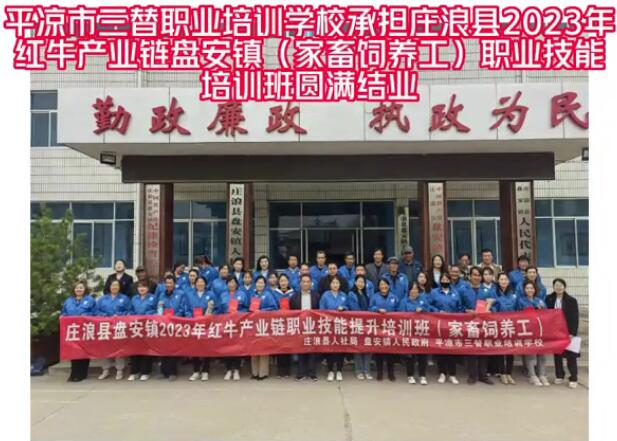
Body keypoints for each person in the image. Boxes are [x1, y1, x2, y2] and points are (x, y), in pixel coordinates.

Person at [398, 281, 435, 385]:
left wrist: (422, 309)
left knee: (422, 354)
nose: (414, 291)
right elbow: (400, 315)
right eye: (412, 289)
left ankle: (422, 375)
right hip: (409, 331)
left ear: (419, 291)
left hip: (421, 331)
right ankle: (410, 375)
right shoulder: (404, 301)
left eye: (416, 289)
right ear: (409, 290)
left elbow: (429, 310)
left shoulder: (423, 300)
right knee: (410, 355)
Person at [428, 272, 462, 385]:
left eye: (447, 279)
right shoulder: (434, 292)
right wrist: (438, 311)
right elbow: (428, 305)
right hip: (439, 324)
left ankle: (452, 374)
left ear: (450, 281)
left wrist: (458, 316)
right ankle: (442, 373)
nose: (445, 281)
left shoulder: (455, 293)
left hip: (452, 325)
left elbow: (460, 307)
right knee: (441, 349)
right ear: (440, 281)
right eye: (443, 279)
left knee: (452, 349)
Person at [546, 278, 580, 389]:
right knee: (557, 355)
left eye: (560, 285)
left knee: (571, 356)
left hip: (567, 331)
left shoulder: (571, 300)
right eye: (556, 285)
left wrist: (572, 332)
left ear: (564, 287)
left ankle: (573, 378)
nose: (558, 287)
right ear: (553, 287)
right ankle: (559, 375)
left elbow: (575, 317)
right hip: (555, 331)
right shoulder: (549, 298)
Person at [95, 279, 130, 380]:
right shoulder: (102, 299)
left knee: (119, 348)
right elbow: (96, 311)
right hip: (105, 327)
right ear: (109, 287)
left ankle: (119, 370)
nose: (114, 287)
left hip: (119, 326)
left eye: (116, 285)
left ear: (119, 287)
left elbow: (129, 311)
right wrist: (106, 316)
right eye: (112, 285)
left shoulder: (124, 298)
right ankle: (105, 370)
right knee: (104, 348)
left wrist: (119, 315)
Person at [61, 281, 96, 382]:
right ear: (74, 289)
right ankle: (73, 373)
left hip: (85, 329)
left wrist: (87, 316)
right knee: (73, 351)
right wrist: (62, 316)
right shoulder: (68, 301)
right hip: (73, 330)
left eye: (81, 287)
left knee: (84, 351)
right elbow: (64, 312)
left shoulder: (90, 300)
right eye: (77, 288)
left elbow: (95, 312)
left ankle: (82, 373)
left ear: (85, 289)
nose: (79, 289)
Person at [184, 276, 217, 381]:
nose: (200, 284)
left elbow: (216, 308)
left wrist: (210, 315)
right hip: (194, 324)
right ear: (195, 284)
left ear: (205, 284)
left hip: (207, 324)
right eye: (198, 282)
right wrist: (191, 318)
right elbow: (186, 309)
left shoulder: (210, 294)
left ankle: (205, 371)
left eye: (202, 282)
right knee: (195, 348)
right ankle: (196, 371)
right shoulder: (190, 294)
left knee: (207, 347)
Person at [518, 281, 549, 386]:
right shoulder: (521, 301)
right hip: (527, 330)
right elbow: (516, 314)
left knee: (542, 354)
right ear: (524, 290)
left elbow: (547, 315)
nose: (530, 290)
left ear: (535, 290)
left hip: (540, 330)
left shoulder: (539, 301)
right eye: (527, 288)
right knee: (530, 354)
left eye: (531, 288)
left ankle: (542, 375)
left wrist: (542, 309)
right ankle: (532, 376)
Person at [290, 275, 320, 381]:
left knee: (312, 350)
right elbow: (291, 312)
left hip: (313, 326)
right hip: (300, 326)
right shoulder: (294, 297)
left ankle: (312, 373)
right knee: (301, 349)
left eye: (308, 282)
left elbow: (320, 311)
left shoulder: (316, 296)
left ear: (311, 283)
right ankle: (301, 373)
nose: (306, 284)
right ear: (300, 283)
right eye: (304, 281)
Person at [219, 276, 250, 381]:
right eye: (229, 282)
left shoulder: (242, 294)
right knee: (227, 348)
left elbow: (247, 308)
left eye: (233, 282)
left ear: (236, 284)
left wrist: (238, 313)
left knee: (237, 347)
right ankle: (228, 370)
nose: (231, 284)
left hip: (238, 324)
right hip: (226, 324)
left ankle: (236, 369)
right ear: (227, 284)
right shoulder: (223, 295)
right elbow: (219, 310)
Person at [491, 272, 519, 385]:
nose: (503, 281)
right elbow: (492, 308)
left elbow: (517, 309)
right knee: (500, 350)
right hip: (498, 325)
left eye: (505, 279)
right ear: (498, 281)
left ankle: (509, 373)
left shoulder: (513, 294)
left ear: (509, 281)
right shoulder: (493, 293)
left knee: (510, 351)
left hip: (511, 325)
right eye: (501, 279)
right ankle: (502, 373)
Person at [157, 274, 187, 380]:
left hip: (175, 323)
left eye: (170, 283)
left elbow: (183, 308)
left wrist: (174, 317)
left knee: (173, 348)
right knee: (163, 347)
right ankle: (163, 371)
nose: (168, 285)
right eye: (167, 283)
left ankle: (172, 372)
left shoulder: (180, 294)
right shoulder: (161, 295)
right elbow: (158, 308)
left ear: (174, 284)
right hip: (164, 324)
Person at [319, 278, 349, 381]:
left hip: (341, 326)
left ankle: (339, 370)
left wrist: (344, 308)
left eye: (337, 283)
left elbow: (348, 308)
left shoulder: (343, 295)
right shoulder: (325, 295)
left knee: (340, 348)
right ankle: (330, 371)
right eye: (333, 283)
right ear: (330, 284)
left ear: (340, 284)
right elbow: (321, 309)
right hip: (329, 326)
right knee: (330, 349)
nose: (335, 285)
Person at [127, 280, 158, 381]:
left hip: (148, 326)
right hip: (136, 326)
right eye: (140, 287)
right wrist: (133, 316)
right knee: (134, 349)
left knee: (147, 349)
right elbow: (130, 310)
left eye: (144, 287)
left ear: (148, 288)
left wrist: (148, 314)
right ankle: (134, 372)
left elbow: (157, 310)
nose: (142, 289)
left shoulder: (153, 298)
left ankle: (146, 372)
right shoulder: (134, 298)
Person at [369, 279, 399, 381]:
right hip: (378, 327)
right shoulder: (374, 296)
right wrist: (377, 309)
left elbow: (399, 311)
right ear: (378, 286)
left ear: (389, 286)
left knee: (390, 351)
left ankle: (391, 373)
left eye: (385, 284)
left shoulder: (394, 297)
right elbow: (370, 308)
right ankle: (380, 372)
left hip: (391, 327)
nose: (383, 286)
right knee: (379, 350)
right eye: (381, 284)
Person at [249, 276, 278, 380]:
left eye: (262, 283)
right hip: (253, 324)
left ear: (265, 284)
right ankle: (255, 372)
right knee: (253, 347)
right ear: (255, 284)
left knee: (263, 348)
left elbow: (274, 308)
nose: (260, 284)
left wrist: (262, 311)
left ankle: (263, 373)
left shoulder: (268, 295)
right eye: (258, 282)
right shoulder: (252, 294)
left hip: (265, 324)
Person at [348, 275, 372, 380]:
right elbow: (354, 308)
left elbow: (371, 307)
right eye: (359, 281)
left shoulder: (367, 293)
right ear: (355, 282)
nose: (361, 283)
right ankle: (359, 370)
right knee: (357, 347)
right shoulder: (351, 294)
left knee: (368, 346)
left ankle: (367, 370)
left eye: (363, 282)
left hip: (368, 323)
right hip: (357, 323)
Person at [273, 273, 295, 378]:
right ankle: (280, 370)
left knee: (288, 346)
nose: (283, 283)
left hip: (290, 323)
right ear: (279, 282)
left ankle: (287, 370)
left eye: (285, 280)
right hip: (279, 323)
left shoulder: (293, 293)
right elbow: (273, 307)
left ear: (288, 282)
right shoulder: (275, 293)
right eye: (281, 281)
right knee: (279, 347)